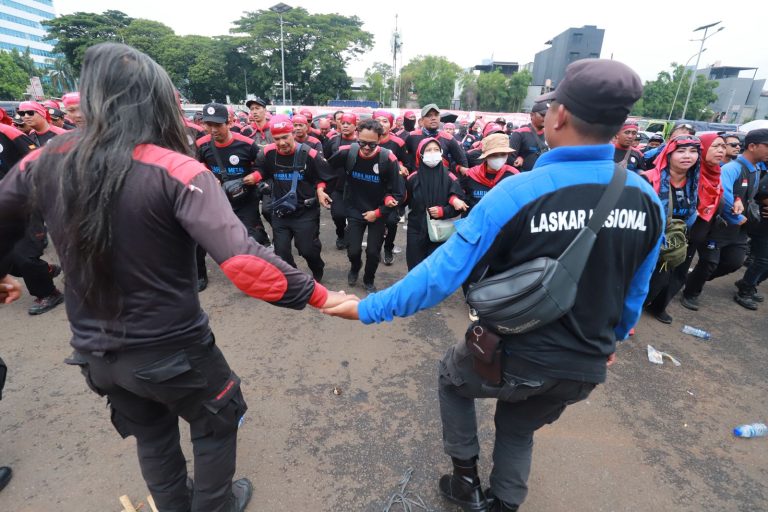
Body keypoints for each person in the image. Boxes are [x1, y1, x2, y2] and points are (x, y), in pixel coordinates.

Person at [0, 43, 356, 512]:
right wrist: (324, 297)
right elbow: (244, 262)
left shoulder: (45, 159)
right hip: (173, 352)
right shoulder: (177, 169)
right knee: (216, 424)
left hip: (96, 354)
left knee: (152, 434)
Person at [322, 58, 663, 512]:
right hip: (584, 366)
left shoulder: (521, 190)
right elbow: (635, 290)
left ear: (559, 115)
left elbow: (443, 272)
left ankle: (466, 480)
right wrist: (614, 339)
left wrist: (367, 309)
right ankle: (504, 503)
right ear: (621, 124)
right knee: (518, 426)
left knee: (452, 378)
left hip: (517, 354)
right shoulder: (645, 196)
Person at [682, 128, 768, 311]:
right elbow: (723, 194)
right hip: (720, 226)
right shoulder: (732, 168)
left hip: (738, 231)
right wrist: (737, 216)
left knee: (734, 262)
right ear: (752, 146)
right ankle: (691, 291)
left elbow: (753, 196)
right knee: (709, 263)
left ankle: (691, 279)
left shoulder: (757, 169)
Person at [252, 115, 337, 282]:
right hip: (281, 210)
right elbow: (261, 170)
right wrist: (258, 180)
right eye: (277, 139)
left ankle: (317, 268)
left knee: (307, 250)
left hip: (305, 211)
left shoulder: (309, 153)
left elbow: (326, 176)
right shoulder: (267, 153)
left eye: (285, 137)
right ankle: (296, 279)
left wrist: (320, 190)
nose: (282, 142)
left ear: (293, 134)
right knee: (281, 253)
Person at [327, 119, 403, 292]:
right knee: (353, 251)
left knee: (373, 252)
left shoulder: (388, 158)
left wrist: (379, 212)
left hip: (378, 211)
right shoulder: (347, 152)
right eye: (362, 143)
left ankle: (369, 279)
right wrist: (321, 189)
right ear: (356, 136)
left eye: (372, 144)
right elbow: (325, 170)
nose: (367, 148)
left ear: (380, 139)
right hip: (354, 209)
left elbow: (399, 193)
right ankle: (355, 267)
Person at [641, 135, 703, 323]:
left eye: (693, 151)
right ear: (668, 154)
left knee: (659, 282)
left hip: (672, 242)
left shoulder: (693, 183)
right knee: (637, 281)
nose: (688, 156)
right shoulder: (647, 179)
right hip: (646, 240)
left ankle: (642, 309)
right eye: (681, 151)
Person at [196, 103, 271, 251]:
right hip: (220, 200)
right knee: (227, 242)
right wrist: (207, 176)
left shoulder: (247, 144)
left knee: (253, 240)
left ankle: (264, 244)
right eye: (209, 125)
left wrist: (255, 176)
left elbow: (265, 167)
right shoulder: (201, 145)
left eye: (218, 125)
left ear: (229, 123)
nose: (213, 130)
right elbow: (197, 164)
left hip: (246, 199)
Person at [402, 138, 468, 269]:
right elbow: (403, 200)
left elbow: (461, 206)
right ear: (420, 154)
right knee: (415, 269)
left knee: (436, 269)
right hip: (416, 229)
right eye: (428, 150)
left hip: (441, 231)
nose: (432, 153)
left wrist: (443, 211)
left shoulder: (450, 178)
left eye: (436, 150)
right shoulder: (412, 178)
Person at [373, 110, 409, 266]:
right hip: (371, 187)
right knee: (375, 221)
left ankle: (388, 248)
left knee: (392, 221)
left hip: (392, 189)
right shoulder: (366, 139)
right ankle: (374, 250)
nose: (381, 124)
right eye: (378, 120)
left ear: (391, 124)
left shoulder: (398, 143)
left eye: (385, 121)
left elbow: (407, 164)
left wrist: (401, 166)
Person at [325, 113, 358, 249]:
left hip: (356, 187)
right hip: (337, 186)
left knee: (354, 217)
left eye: (348, 123)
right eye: (343, 123)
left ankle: (351, 234)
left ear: (355, 126)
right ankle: (341, 234)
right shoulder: (333, 141)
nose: (345, 126)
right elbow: (326, 161)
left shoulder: (361, 142)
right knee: (338, 215)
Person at [461, 133, 519, 212]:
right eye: (494, 155)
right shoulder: (471, 175)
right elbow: (458, 195)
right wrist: (454, 199)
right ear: (486, 156)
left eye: (503, 154)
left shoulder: (514, 175)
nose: (499, 158)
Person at [405, 104, 468, 175]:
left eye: (436, 115)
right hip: (419, 179)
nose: (433, 118)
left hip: (442, 179)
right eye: (429, 115)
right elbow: (405, 160)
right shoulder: (412, 136)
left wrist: (458, 170)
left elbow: (462, 162)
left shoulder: (449, 138)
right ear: (421, 120)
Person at [735, 172, 768, 309]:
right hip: (764, 224)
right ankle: (745, 290)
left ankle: (749, 283)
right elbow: (761, 192)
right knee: (763, 261)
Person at [509, 101, 548, 171]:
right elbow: (510, 159)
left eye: (548, 115)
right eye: (543, 115)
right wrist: (518, 160)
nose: (546, 118)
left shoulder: (550, 135)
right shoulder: (519, 133)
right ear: (532, 115)